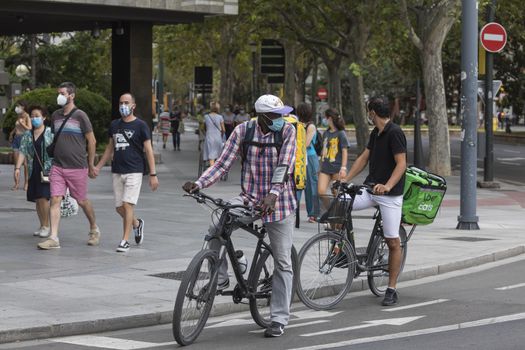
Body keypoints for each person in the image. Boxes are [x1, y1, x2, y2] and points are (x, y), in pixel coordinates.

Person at [183, 94, 296, 338]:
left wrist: (273, 195)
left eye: (282, 115)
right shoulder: (243, 131)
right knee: (217, 224)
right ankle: (220, 276)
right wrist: (199, 183)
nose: (281, 119)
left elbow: (284, 167)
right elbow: (222, 164)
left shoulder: (287, 132)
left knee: (283, 262)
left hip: (280, 203)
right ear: (263, 117)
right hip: (249, 198)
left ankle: (278, 318)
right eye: (276, 116)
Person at [345, 97, 407, 306]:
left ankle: (391, 288)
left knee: (392, 241)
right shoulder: (376, 133)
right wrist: (345, 180)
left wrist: (388, 185)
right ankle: (340, 247)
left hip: (390, 195)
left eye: (368, 112)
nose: (368, 116)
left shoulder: (395, 132)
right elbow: (363, 158)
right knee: (340, 202)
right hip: (371, 189)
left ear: (372, 113)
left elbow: (401, 164)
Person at [37, 82, 100, 250]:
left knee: (81, 200)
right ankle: (53, 237)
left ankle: (94, 228)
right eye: (59, 93)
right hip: (58, 166)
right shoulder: (56, 116)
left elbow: (92, 141)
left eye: (63, 93)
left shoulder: (81, 116)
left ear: (72, 96)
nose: (59, 96)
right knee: (55, 199)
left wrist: (91, 163)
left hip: (77, 166)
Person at [95, 93, 159, 252]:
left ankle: (125, 240)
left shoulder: (141, 126)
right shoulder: (114, 125)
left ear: (133, 106)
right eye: (120, 102)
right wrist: (98, 166)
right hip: (117, 170)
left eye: (126, 102)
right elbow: (110, 148)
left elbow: (149, 150)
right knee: (119, 208)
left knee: (127, 205)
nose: (123, 105)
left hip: (135, 170)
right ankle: (137, 224)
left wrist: (153, 174)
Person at [15, 105, 53, 238]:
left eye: (37, 116)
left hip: (47, 170)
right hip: (33, 169)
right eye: (32, 116)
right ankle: (42, 225)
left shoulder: (50, 132)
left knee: (43, 197)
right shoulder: (27, 134)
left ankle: (47, 226)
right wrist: (18, 168)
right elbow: (23, 151)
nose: (34, 118)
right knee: (37, 199)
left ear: (44, 117)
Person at [296, 103, 319, 223]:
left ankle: (313, 214)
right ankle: (293, 211)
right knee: (297, 184)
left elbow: (306, 144)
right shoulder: (296, 124)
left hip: (309, 158)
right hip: (299, 158)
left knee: (312, 186)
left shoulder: (310, 126)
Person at [317, 108, 349, 197]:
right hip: (325, 168)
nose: (324, 120)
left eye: (325, 118)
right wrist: (320, 166)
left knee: (337, 194)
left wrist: (343, 168)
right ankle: (330, 210)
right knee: (321, 192)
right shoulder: (326, 133)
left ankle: (337, 211)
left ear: (330, 118)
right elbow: (323, 151)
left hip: (337, 169)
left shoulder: (341, 133)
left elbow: (344, 151)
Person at [9, 100, 31, 191]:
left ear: (23, 107)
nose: (17, 108)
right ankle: (16, 183)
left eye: (18, 106)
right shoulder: (18, 116)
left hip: (24, 139)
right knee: (16, 163)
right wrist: (12, 133)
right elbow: (16, 126)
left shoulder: (27, 116)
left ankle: (26, 183)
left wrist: (22, 123)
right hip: (16, 139)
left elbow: (29, 128)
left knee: (25, 164)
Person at [203, 101, 225, 167]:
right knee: (218, 156)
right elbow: (223, 129)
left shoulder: (206, 117)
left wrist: (206, 133)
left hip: (209, 137)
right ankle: (216, 170)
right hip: (218, 138)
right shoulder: (220, 117)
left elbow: (204, 127)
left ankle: (212, 172)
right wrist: (221, 135)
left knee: (211, 157)